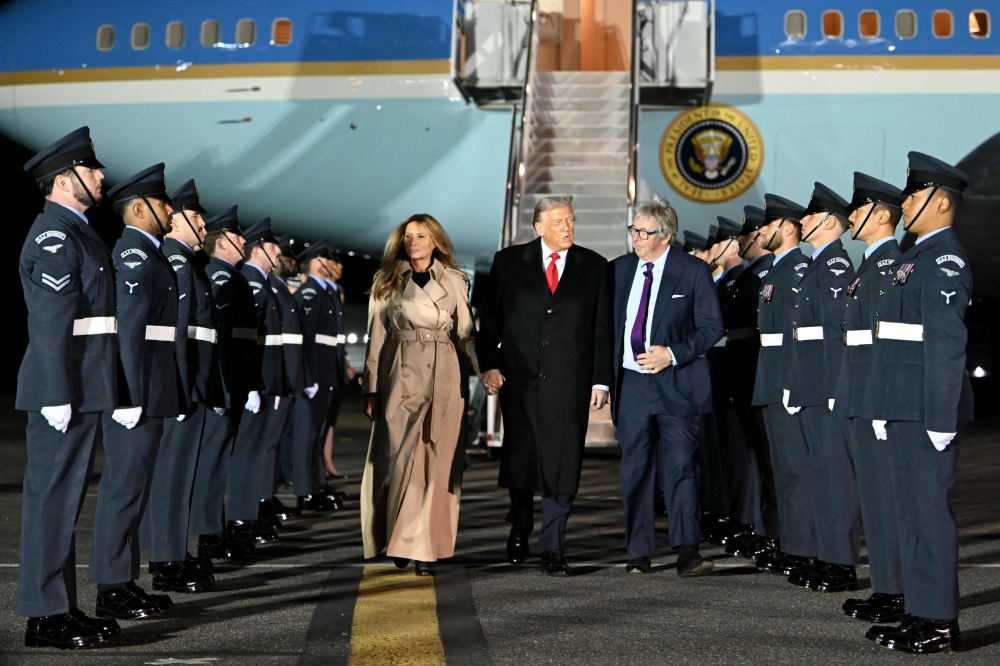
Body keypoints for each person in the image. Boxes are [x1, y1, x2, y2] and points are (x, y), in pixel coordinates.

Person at [861, 153, 972, 654]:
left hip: (926, 407)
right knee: (909, 512)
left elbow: (945, 344)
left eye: (913, 194)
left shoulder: (945, 257)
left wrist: (941, 415)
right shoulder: (914, 257)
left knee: (928, 514)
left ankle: (941, 623)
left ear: (941, 200)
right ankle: (920, 609)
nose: (903, 202)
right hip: (902, 403)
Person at [18, 127, 121, 648]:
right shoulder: (54, 235)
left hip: (84, 385)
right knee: (51, 501)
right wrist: (57, 391)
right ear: (64, 179)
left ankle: (60, 607)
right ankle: (43, 616)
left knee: (64, 501)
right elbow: (52, 319)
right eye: (91, 168)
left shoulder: (79, 230)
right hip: (64, 388)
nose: (102, 176)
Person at [476, 196, 613, 576]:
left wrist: (601, 380)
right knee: (522, 456)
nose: (567, 228)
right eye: (558, 222)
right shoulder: (508, 263)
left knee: (563, 462)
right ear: (538, 227)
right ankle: (520, 523)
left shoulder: (595, 267)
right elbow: (490, 325)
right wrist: (489, 366)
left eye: (570, 221)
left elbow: (603, 330)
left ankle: (553, 547)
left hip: (570, 383)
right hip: (520, 381)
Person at [361, 214, 480, 576]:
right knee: (400, 462)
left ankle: (424, 548)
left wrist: (484, 371)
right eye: (409, 236)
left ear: (435, 241)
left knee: (437, 465)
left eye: (422, 235)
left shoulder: (456, 281)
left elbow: (466, 333)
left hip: (444, 378)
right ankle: (400, 535)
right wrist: (372, 389)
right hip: (402, 376)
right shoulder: (387, 281)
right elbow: (376, 339)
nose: (414, 241)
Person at [610, 198, 724, 576]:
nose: (636, 238)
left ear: (667, 236)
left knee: (679, 468)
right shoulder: (619, 270)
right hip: (632, 386)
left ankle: (687, 550)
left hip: (677, 383)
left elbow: (711, 328)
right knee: (635, 470)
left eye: (644, 232)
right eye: (634, 230)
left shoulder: (692, 271)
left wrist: (672, 354)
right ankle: (638, 552)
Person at [90, 164, 178, 621]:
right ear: (140, 209)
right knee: (123, 489)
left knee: (136, 490)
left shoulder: (151, 253)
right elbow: (126, 331)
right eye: (163, 204)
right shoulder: (133, 255)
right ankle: (111, 586)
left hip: (152, 386)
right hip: (136, 391)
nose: (170, 211)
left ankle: (124, 580)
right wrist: (125, 395)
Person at [833, 173, 905, 624]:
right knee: (874, 498)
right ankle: (887, 586)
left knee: (887, 498)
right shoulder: (869, 266)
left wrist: (880, 400)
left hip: (876, 397)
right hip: (860, 394)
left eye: (858, 210)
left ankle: (897, 589)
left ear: (881, 215)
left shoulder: (889, 266)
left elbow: (889, 344)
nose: (852, 217)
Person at [783, 182, 862, 593]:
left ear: (830, 222)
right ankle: (828, 555)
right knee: (821, 475)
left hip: (827, 387)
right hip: (812, 385)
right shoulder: (817, 263)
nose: (803, 222)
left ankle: (842, 562)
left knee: (836, 477)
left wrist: (834, 386)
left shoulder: (834, 266)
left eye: (811, 216)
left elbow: (836, 332)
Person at [144, 179, 221, 593]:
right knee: (171, 475)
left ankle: (174, 550)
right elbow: (176, 334)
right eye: (197, 220)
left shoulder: (188, 262)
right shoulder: (175, 261)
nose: (204, 228)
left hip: (193, 383)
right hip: (182, 386)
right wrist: (177, 387)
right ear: (176, 222)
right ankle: (165, 559)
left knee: (181, 475)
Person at [191, 206, 263, 560]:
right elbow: (217, 340)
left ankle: (213, 529)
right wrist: (218, 385)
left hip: (235, 381)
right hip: (224, 382)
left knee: (221, 457)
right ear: (221, 244)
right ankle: (208, 532)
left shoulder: (229, 276)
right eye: (237, 237)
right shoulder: (217, 277)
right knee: (213, 458)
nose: (243, 242)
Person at [750, 194, 816, 579]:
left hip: (786, 377)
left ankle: (803, 548)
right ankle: (792, 544)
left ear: (786, 228)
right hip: (771, 375)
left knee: (796, 470)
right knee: (782, 469)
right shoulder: (777, 270)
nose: (761, 231)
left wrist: (794, 382)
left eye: (768, 224)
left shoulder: (797, 270)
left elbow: (799, 336)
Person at [722, 206, 779, 561]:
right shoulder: (750, 274)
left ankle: (773, 532)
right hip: (744, 371)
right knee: (756, 458)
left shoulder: (764, 274)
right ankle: (761, 527)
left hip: (757, 369)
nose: (739, 241)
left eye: (745, 234)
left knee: (768, 459)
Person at [227, 217, 287, 547]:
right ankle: (239, 515)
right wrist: (251, 383)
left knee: (258, 450)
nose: (278, 251)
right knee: (248, 451)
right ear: (259, 249)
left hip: (266, 378)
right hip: (257, 378)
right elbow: (246, 339)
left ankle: (248, 513)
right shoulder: (250, 280)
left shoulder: (261, 282)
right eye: (273, 245)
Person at [704, 216, 747, 544]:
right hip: (720, 370)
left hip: (730, 369)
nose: (712, 250)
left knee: (735, 453)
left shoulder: (738, 280)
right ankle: (727, 512)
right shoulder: (725, 281)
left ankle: (737, 516)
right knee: (721, 451)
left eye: (717, 244)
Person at [291, 241, 342, 511]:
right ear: (313, 263)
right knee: (306, 436)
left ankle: (316, 484)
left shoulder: (323, 292)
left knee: (317, 435)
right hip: (314, 375)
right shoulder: (309, 293)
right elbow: (305, 341)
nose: (329, 264)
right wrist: (308, 378)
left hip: (325, 372)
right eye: (323, 259)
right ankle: (305, 490)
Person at [262, 233, 307, 524]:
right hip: (273, 380)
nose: (291, 263)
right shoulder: (271, 289)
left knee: (272, 444)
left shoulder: (280, 290)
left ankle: (266, 497)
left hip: (284, 378)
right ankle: (260, 502)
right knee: (264, 445)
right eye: (285, 256)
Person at [320, 251, 356, 480]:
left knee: (330, 419)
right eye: (334, 263)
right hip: (323, 365)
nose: (339, 268)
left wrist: (345, 362)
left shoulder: (336, 292)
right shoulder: (320, 292)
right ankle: (320, 465)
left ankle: (327, 461)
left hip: (335, 363)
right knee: (321, 420)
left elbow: (337, 336)